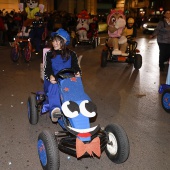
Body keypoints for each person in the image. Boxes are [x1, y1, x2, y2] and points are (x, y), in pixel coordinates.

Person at [43, 28, 81, 122]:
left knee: (76, 83)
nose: (54, 43)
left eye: (57, 41)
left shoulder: (72, 54)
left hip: (67, 78)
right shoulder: (49, 54)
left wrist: (77, 72)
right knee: (54, 85)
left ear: (63, 42)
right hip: (54, 79)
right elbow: (47, 69)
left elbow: (75, 66)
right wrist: (51, 76)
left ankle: (79, 105)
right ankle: (55, 110)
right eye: (53, 41)